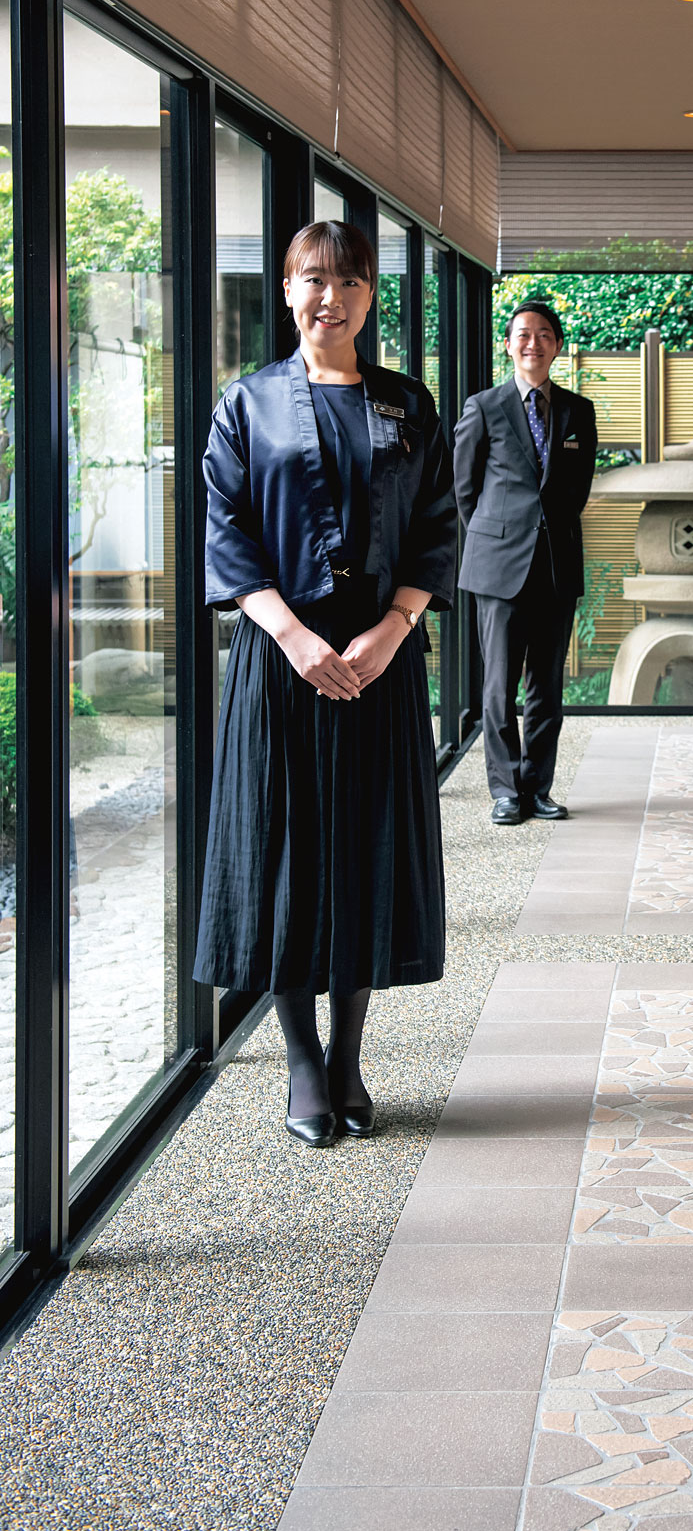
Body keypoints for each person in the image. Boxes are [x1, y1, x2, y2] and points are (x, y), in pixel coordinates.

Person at [194, 221, 457, 1148]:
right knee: (287, 855)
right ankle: (304, 1062)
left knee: (362, 848)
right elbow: (226, 530)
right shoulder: (249, 403)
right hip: (281, 662)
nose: (330, 297)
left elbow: (435, 530)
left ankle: (350, 1054)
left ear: (371, 297)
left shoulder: (407, 405)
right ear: (287, 289)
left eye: (348, 281)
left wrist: (392, 631)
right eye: (314, 279)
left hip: (379, 665)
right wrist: (295, 635)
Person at [453, 299, 598, 824]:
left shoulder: (578, 411)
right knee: (498, 684)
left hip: (556, 565)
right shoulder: (483, 407)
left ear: (556, 345)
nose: (533, 343)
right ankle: (504, 789)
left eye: (544, 334)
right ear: (508, 345)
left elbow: (576, 489)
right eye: (523, 335)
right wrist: (500, 537)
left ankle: (537, 786)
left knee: (546, 685)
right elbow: (465, 492)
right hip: (498, 567)